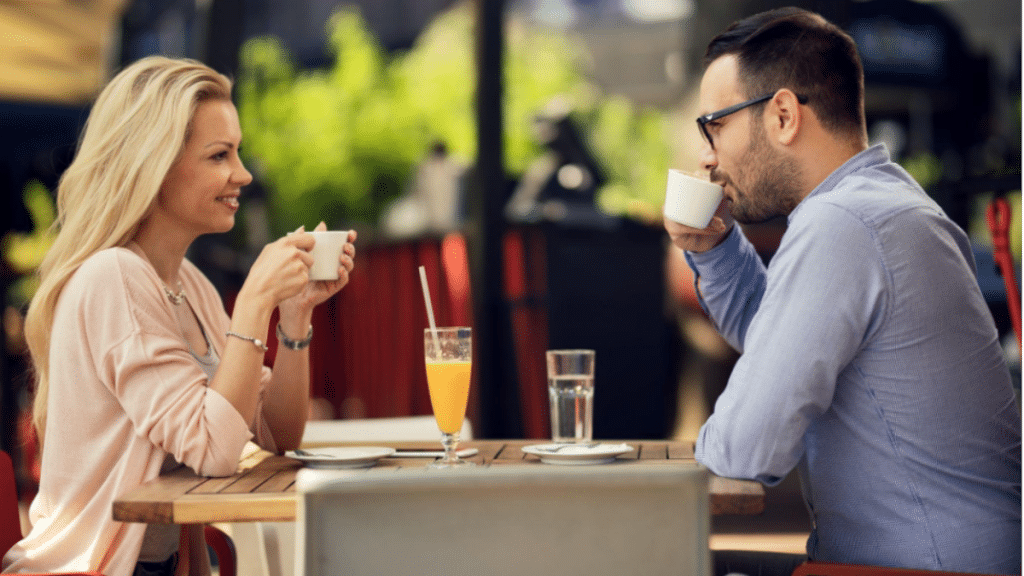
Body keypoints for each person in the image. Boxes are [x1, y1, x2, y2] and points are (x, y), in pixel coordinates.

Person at [664, 8, 1021, 575]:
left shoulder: (842, 223)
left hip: (924, 568)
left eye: (716, 126)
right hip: (931, 559)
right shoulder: (878, 202)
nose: (707, 155)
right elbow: (777, 343)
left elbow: (743, 451)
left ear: (783, 115)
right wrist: (717, 250)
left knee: (657, 560)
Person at [2, 56, 356, 576]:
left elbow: (276, 434)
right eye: (219, 155)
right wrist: (253, 302)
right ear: (155, 166)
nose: (243, 173)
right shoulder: (113, 278)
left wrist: (294, 318)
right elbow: (213, 450)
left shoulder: (189, 285)